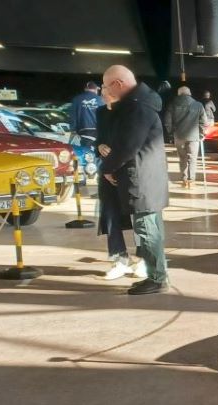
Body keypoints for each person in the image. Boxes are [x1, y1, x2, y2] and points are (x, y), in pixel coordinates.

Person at [98, 65, 170, 295]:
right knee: (150, 229)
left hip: (142, 179)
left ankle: (157, 278)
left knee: (147, 230)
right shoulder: (141, 104)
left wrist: (107, 168)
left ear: (118, 84)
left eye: (106, 86)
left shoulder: (137, 108)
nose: (105, 91)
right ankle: (157, 274)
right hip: (148, 178)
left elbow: (127, 146)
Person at [95, 90, 144, 281]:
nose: (104, 93)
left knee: (139, 216)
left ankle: (142, 260)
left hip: (128, 170)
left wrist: (112, 166)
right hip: (107, 170)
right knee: (110, 215)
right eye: (102, 88)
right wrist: (99, 147)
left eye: (107, 88)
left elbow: (132, 144)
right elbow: (100, 138)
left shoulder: (130, 111)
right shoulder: (100, 112)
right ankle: (119, 259)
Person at [164, 86, 208, 189]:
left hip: (179, 136)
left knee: (182, 158)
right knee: (192, 158)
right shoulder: (198, 105)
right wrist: (201, 133)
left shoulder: (172, 104)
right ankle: (191, 181)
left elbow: (167, 121)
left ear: (179, 94)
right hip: (194, 136)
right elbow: (204, 122)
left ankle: (184, 180)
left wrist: (171, 133)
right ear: (190, 93)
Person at [69, 81, 102, 150]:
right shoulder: (101, 100)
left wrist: (73, 130)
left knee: (86, 152)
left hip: (84, 132)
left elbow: (73, 116)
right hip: (100, 131)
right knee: (99, 152)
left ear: (85, 89)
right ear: (96, 89)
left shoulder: (77, 99)